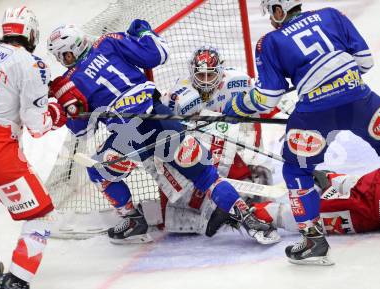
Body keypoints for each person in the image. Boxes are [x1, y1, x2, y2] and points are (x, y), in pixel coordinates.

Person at [46, 22, 280, 245]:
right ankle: (249, 220)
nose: (62, 60)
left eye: (63, 55)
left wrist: (65, 106)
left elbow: (83, 131)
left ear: (73, 48)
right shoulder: (108, 42)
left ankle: (133, 217)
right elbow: (158, 54)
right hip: (156, 117)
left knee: (98, 171)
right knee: (207, 177)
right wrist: (146, 33)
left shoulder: (78, 73)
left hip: (131, 131)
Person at [223, 0, 380, 265]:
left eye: (271, 13)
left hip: (315, 114)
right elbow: (365, 63)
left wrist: (235, 106)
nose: (271, 19)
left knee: (296, 171)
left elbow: (267, 99)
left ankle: (313, 242)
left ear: (278, 10)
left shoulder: (269, 42)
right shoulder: (332, 15)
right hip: (359, 101)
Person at [0, 6, 67, 289]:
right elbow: (37, 125)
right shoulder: (32, 64)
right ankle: (17, 283)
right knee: (41, 215)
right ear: (31, 32)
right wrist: (59, 112)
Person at [160, 168, 380, 240]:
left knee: (305, 217)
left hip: (370, 206)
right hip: (370, 198)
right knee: (307, 215)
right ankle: (245, 211)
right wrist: (338, 180)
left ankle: (243, 213)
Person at [161, 46, 274, 185]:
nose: (206, 81)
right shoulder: (178, 97)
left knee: (246, 120)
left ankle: (251, 165)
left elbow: (264, 102)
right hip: (201, 145)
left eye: (211, 75)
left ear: (220, 72)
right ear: (192, 73)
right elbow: (164, 129)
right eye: (201, 75)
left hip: (237, 136)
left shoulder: (239, 81)